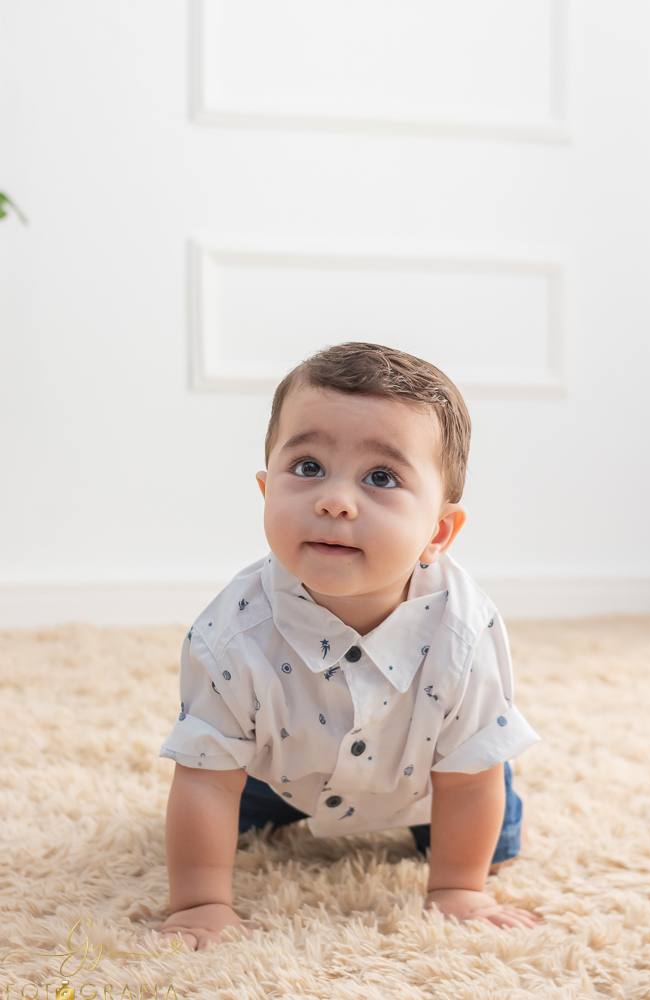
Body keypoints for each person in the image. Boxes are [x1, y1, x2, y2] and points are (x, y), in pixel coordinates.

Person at [158, 342, 540, 950]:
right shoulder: (233, 631)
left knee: (492, 842)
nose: (334, 499)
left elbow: (469, 779)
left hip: (429, 780)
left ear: (437, 532)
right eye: (307, 467)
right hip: (280, 770)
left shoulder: (465, 631)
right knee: (213, 822)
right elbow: (206, 777)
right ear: (265, 490)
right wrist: (201, 903)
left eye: (380, 477)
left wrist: (457, 889)